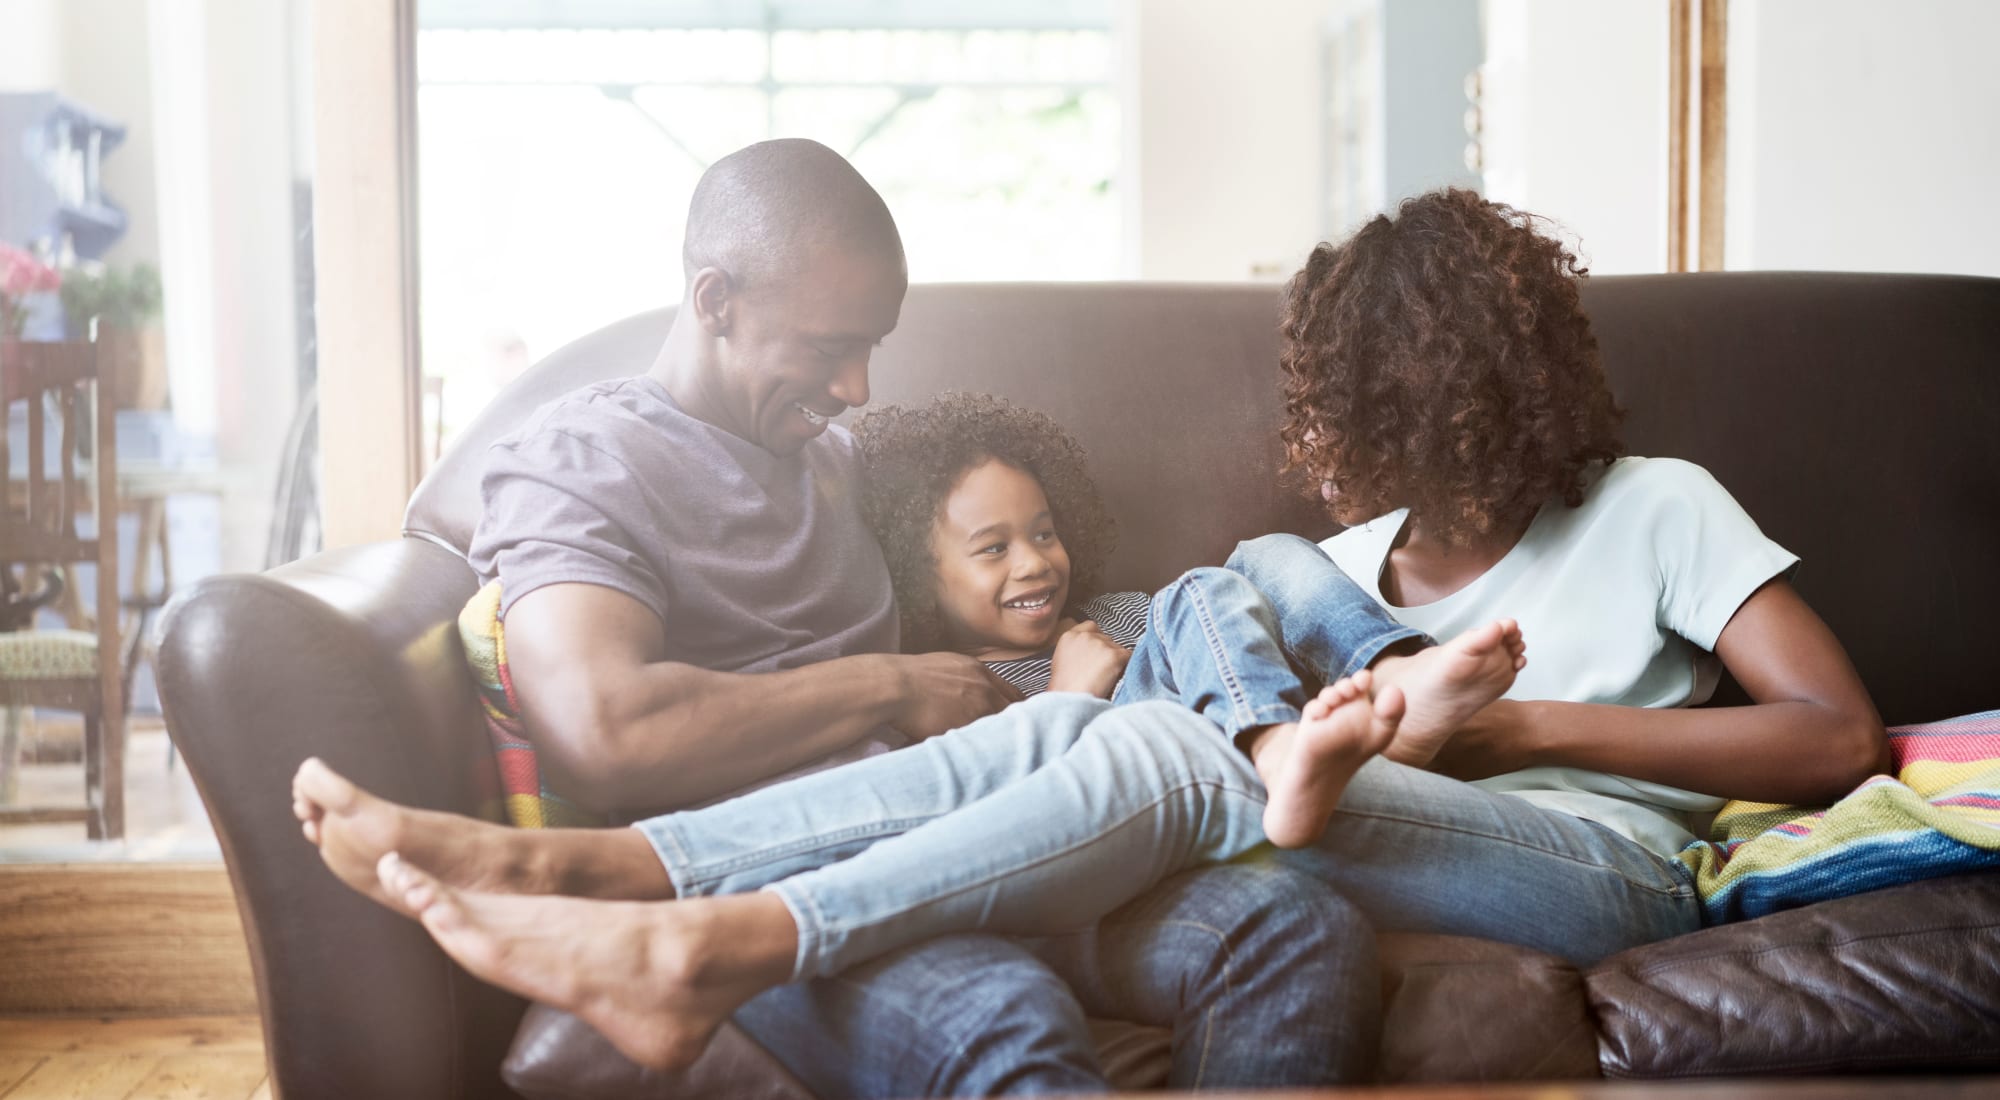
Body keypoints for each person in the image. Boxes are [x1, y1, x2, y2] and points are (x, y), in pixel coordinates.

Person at [297, 187, 1888, 1078]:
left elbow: (1837, 740)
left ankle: (687, 918)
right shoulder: (1331, 560)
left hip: (1599, 858)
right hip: (1357, 810)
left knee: (1169, 711)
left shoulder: (1657, 507)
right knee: (1139, 688)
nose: (1367, 457)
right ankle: (642, 888)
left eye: (1402, 416)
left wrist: (1516, 728)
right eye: (1363, 421)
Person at [335, 135, 1432, 1096]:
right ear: (715, 299)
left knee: (1293, 928)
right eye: (827, 346)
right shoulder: (584, 459)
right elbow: (605, 732)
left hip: (974, 836)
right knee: (1000, 1013)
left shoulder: (838, 459)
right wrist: (892, 684)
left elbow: (1001, 556)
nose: (857, 387)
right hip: (775, 875)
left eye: (873, 346)